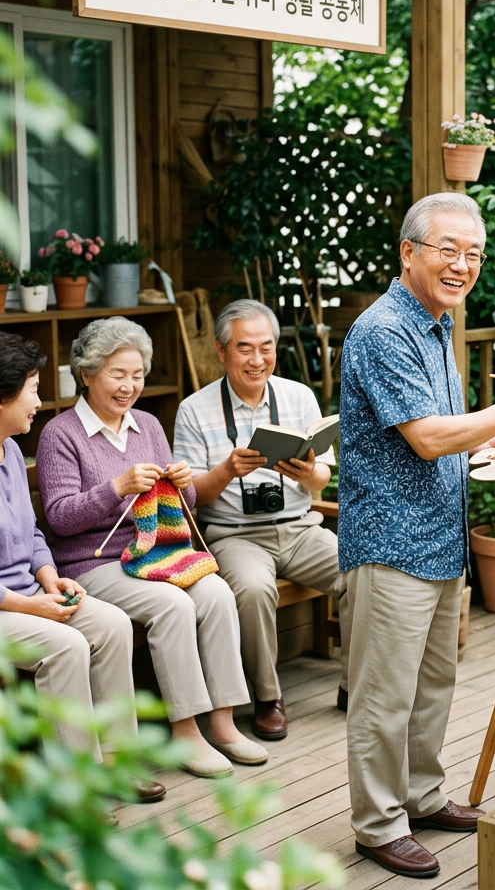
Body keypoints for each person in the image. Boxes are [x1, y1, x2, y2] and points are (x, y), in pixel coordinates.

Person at [339, 192, 495, 878]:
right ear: (408, 253)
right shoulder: (383, 330)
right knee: (384, 694)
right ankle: (377, 824)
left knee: (433, 682)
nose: (462, 264)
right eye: (448, 249)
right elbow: (430, 437)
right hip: (390, 542)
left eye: (473, 253)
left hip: (439, 538)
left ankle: (420, 794)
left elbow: (449, 437)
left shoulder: (434, 323)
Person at [36, 317, 264, 778]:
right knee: (172, 604)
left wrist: (184, 485)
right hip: (93, 562)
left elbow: (180, 504)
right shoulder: (60, 434)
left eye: (137, 374)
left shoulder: (147, 425)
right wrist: (115, 487)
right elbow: (59, 517)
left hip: (154, 552)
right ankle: (185, 733)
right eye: (117, 374)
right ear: (87, 373)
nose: (130, 386)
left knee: (216, 592)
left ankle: (221, 721)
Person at [0, 331, 163, 798]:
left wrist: (51, 581)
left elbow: (32, 534)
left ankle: (118, 760)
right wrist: (34, 608)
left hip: (29, 593)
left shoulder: (11, 450)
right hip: (8, 605)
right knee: (66, 646)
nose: (39, 400)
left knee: (112, 625)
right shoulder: (54, 436)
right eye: (32, 388)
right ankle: (78, 786)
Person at [173, 300, 346, 740]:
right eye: (244, 348)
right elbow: (189, 496)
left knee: (360, 570)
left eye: (266, 348)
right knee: (251, 588)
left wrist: (309, 473)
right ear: (221, 351)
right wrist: (227, 470)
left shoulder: (298, 396)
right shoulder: (194, 410)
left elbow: (323, 476)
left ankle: (356, 684)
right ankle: (268, 698)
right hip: (233, 535)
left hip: (299, 527)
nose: (257, 360)